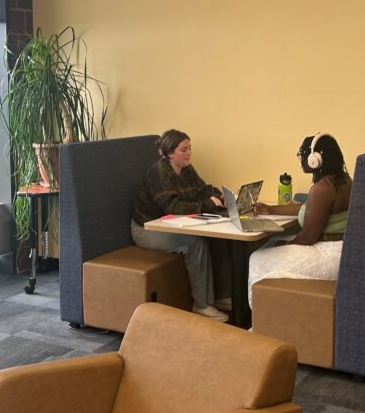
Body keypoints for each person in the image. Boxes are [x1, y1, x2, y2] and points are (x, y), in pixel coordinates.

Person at [131, 129, 231, 321]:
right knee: (195, 244)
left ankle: (222, 297)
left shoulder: (187, 169)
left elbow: (202, 189)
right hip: (146, 228)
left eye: (189, 148)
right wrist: (208, 204)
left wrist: (219, 196)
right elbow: (173, 207)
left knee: (218, 238)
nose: (188, 153)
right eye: (183, 149)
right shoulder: (158, 173)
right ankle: (202, 306)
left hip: (169, 225)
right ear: (169, 153)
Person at [247, 133, 352, 308]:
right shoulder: (342, 180)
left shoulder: (322, 188)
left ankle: (259, 317)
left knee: (257, 258)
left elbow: (308, 237)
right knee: (270, 243)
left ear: (315, 159)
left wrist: (285, 245)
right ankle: (271, 311)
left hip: (329, 257)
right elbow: (310, 207)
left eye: (303, 153)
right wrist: (271, 210)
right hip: (341, 251)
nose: (302, 158)